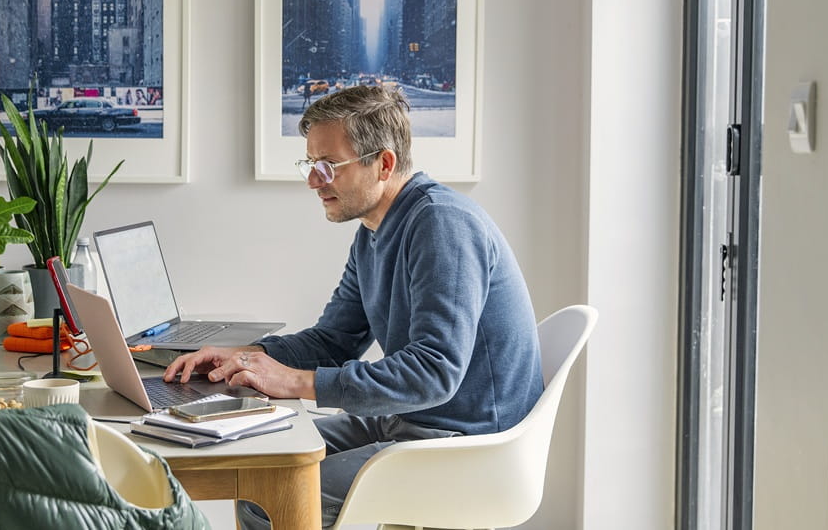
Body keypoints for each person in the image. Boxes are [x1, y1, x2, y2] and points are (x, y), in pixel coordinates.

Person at [163, 85, 543, 530]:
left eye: (328, 166)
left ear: (383, 163)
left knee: (272, 495)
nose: (312, 180)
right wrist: (248, 356)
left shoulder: (443, 225)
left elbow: (435, 372)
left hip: (465, 446)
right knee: (257, 467)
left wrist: (297, 382)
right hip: (408, 421)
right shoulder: (374, 231)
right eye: (310, 164)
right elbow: (335, 339)